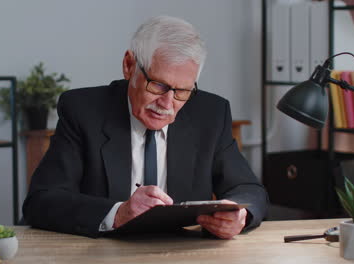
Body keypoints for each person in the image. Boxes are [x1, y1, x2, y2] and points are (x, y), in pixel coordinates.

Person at [23, 16, 268, 239]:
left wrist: (240, 215)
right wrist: (118, 213)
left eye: (182, 91)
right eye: (159, 85)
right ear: (129, 66)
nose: (167, 103)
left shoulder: (211, 114)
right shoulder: (83, 111)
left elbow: (249, 190)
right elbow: (42, 201)